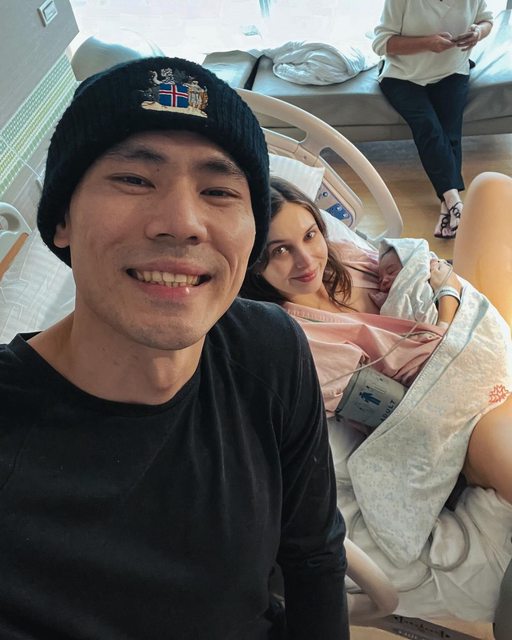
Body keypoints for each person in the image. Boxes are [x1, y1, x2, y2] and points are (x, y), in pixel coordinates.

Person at [0, 58, 349, 639]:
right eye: (134, 180)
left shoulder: (269, 349)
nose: (183, 222)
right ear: (62, 219)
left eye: (219, 191)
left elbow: (314, 556)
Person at [241, 173, 512, 506]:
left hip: (475, 331)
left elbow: (423, 266)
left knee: (491, 187)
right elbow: (416, 412)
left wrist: (445, 290)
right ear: (255, 263)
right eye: (281, 250)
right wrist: (447, 302)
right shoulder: (298, 342)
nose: (306, 260)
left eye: (310, 235)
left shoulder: (341, 258)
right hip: (468, 419)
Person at [372, 0, 493, 239]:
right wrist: (427, 43)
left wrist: (478, 32)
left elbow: (487, 20)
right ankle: (455, 203)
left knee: (450, 132)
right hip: (402, 76)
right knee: (427, 125)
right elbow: (381, 44)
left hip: (452, 71)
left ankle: (449, 205)